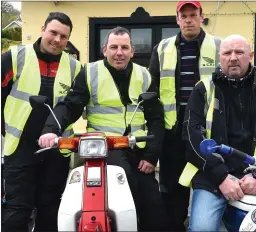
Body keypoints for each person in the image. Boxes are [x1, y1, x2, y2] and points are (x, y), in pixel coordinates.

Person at [38, 26, 168, 231]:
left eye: (124, 47)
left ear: (132, 51)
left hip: (139, 150)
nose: (119, 52)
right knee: (126, 195)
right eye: (114, 47)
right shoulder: (89, 73)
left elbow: (157, 119)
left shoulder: (144, 75)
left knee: (155, 208)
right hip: (104, 150)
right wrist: (51, 129)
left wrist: (151, 156)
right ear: (104, 50)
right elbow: (70, 106)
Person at [182, 34, 256, 231]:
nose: (233, 57)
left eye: (239, 52)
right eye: (227, 53)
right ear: (220, 57)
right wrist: (222, 177)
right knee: (202, 229)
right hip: (213, 177)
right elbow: (191, 138)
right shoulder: (203, 89)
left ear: (250, 56)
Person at [1, 12, 82, 232]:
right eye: (53, 32)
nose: (57, 40)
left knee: (51, 210)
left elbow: (74, 106)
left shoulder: (75, 67)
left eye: (63, 36)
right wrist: (5, 129)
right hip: (20, 148)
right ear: (42, 30)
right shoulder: (15, 57)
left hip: (57, 149)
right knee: (17, 211)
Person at [148, 1, 221, 230]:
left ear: (201, 17)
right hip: (174, 129)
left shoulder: (219, 46)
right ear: (177, 19)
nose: (188, 20)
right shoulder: (162, 48)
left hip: (207, 130)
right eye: (184, 15)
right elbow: (152, 89)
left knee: (209, 181)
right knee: (172, 186)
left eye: (193, 15)